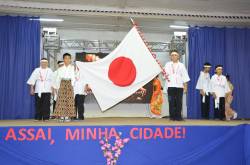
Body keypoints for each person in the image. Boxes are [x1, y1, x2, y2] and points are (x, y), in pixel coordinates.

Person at [164, 50, 190, 121]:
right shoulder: (167, 64)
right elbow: (164, 75)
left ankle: (178, 117)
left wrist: (185, 87)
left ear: (178, 56)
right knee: (171, 101)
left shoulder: (181, 65)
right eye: (172, 55)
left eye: (175, 55)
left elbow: (184, 76)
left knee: (179, 101)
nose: (174, 56)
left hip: (179, 86)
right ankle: (172, 117)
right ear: (170, 57)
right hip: (170, 86)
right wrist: (164, 74)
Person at [53, 53, 76, 122]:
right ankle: (62, 116)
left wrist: (72, 85)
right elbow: (58, 78)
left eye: (69, 58)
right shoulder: (60, 69)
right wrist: (56, 87)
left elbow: (74, 77)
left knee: (69, 100)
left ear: (70, 60)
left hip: (69, 83)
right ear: (63, 59)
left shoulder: (72, 68)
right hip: (62, 84)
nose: (67, 60)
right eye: (66, 58)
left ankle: (67, 116)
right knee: (61, 100)